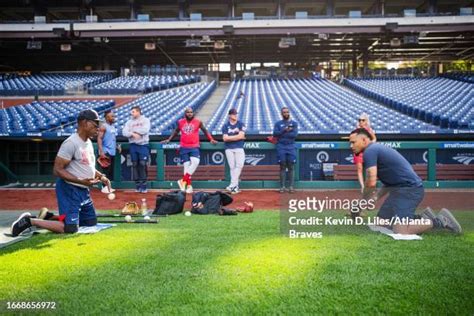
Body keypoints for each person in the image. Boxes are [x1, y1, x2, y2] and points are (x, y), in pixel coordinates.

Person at [10, 109, 111, 237]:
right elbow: (57, 170)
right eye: (95, 124)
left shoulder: (89, 142)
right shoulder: (71, 143)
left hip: (83, 190)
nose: (98, 127)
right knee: (70, 228)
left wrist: (101, 176)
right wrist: (81, 180)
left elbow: (88, 167)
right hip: (70, 189)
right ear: (84, 123)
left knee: (90, 223)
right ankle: (29, 221)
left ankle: (49, 216)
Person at [349, 128, 462, 235]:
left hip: (409, 190)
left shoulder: (370, 151)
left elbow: (371, 181)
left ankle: (441, 220)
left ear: (364, 140)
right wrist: (375, 198)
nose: (351, 146)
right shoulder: (375, 149)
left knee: (401, 231)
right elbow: (390, 182)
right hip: (398, 191)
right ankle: (421, 218)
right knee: (379, 223)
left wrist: (362, 203)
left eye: (353, 142)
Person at [161, 107, 218, 194]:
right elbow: (176, 131)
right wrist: (169, 139)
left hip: (194, 146)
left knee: (195, 162)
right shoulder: (180, 122)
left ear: (193, 113)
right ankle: (188, 186)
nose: (190, 113)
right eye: (188, 112)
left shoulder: (198, 122)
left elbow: (205, 131)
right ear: (185, 113)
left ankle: (183, 181)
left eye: (191, 112)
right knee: (186, 166)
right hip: (184, 146)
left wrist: (211, 139)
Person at [122, 106, 150, 193]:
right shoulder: (129, 122)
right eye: (131, 112)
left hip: (143, 144)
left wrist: (135, 132)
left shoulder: (145, 120)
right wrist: (133, 134)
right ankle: (137, 185)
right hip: (133, 145)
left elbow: (145, 130)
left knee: (142, 163)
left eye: (133, 111)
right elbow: (124, 132)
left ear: (138, 112)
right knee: (134, 164)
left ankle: (144, 185)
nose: (132, 113)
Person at [273, 107, 298, 193]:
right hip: (281, 146)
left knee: (291, 166)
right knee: (282, 166)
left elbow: (294, 135)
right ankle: (282, 187)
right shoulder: (278, 123)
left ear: (289, 113)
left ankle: (291, 187)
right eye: (284, 112)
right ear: (281, 113)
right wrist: (285, 130)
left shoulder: (294, 123)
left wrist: (283, 133)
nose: (286, 113)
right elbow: (275, 134)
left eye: (287, 112)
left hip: (291, 146)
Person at [222, 108, 246, 194]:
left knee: (239, 165)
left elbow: (241, 136)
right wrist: (236, 137)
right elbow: (225, 138)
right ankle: (235, 187)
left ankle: (232, 185)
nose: (235, 115)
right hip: (229, 148)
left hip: (239, 147)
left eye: (236, 114)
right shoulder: (225, 125)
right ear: (229, 115)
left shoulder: (240, 124)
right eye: (233, 114)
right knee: (232, 167)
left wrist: (230, 138)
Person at [97, 110, 119, 192]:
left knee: (110, 171)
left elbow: (112, 139)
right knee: (105, 171)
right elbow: (99, 138)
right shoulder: (103, 126)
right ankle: (104, 187)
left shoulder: (112, 127)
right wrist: (101, 152)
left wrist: (117, 146)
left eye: (113, 116)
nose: (113, 118)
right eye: (111, 116)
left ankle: (108, 187)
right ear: (106, 118)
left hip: (112, 152)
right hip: (106, 151)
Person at [353, 113, 377, 192]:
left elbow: (374, 139)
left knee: (369, 169)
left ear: (366, 121)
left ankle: (370, 187)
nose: (361, 122)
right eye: (359, 120)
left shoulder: (369, 130)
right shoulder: (356, 130)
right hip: (359, 151)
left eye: (363, 120)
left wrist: (368, 145)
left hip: (367, 151)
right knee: (359, 169)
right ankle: (362, 187)